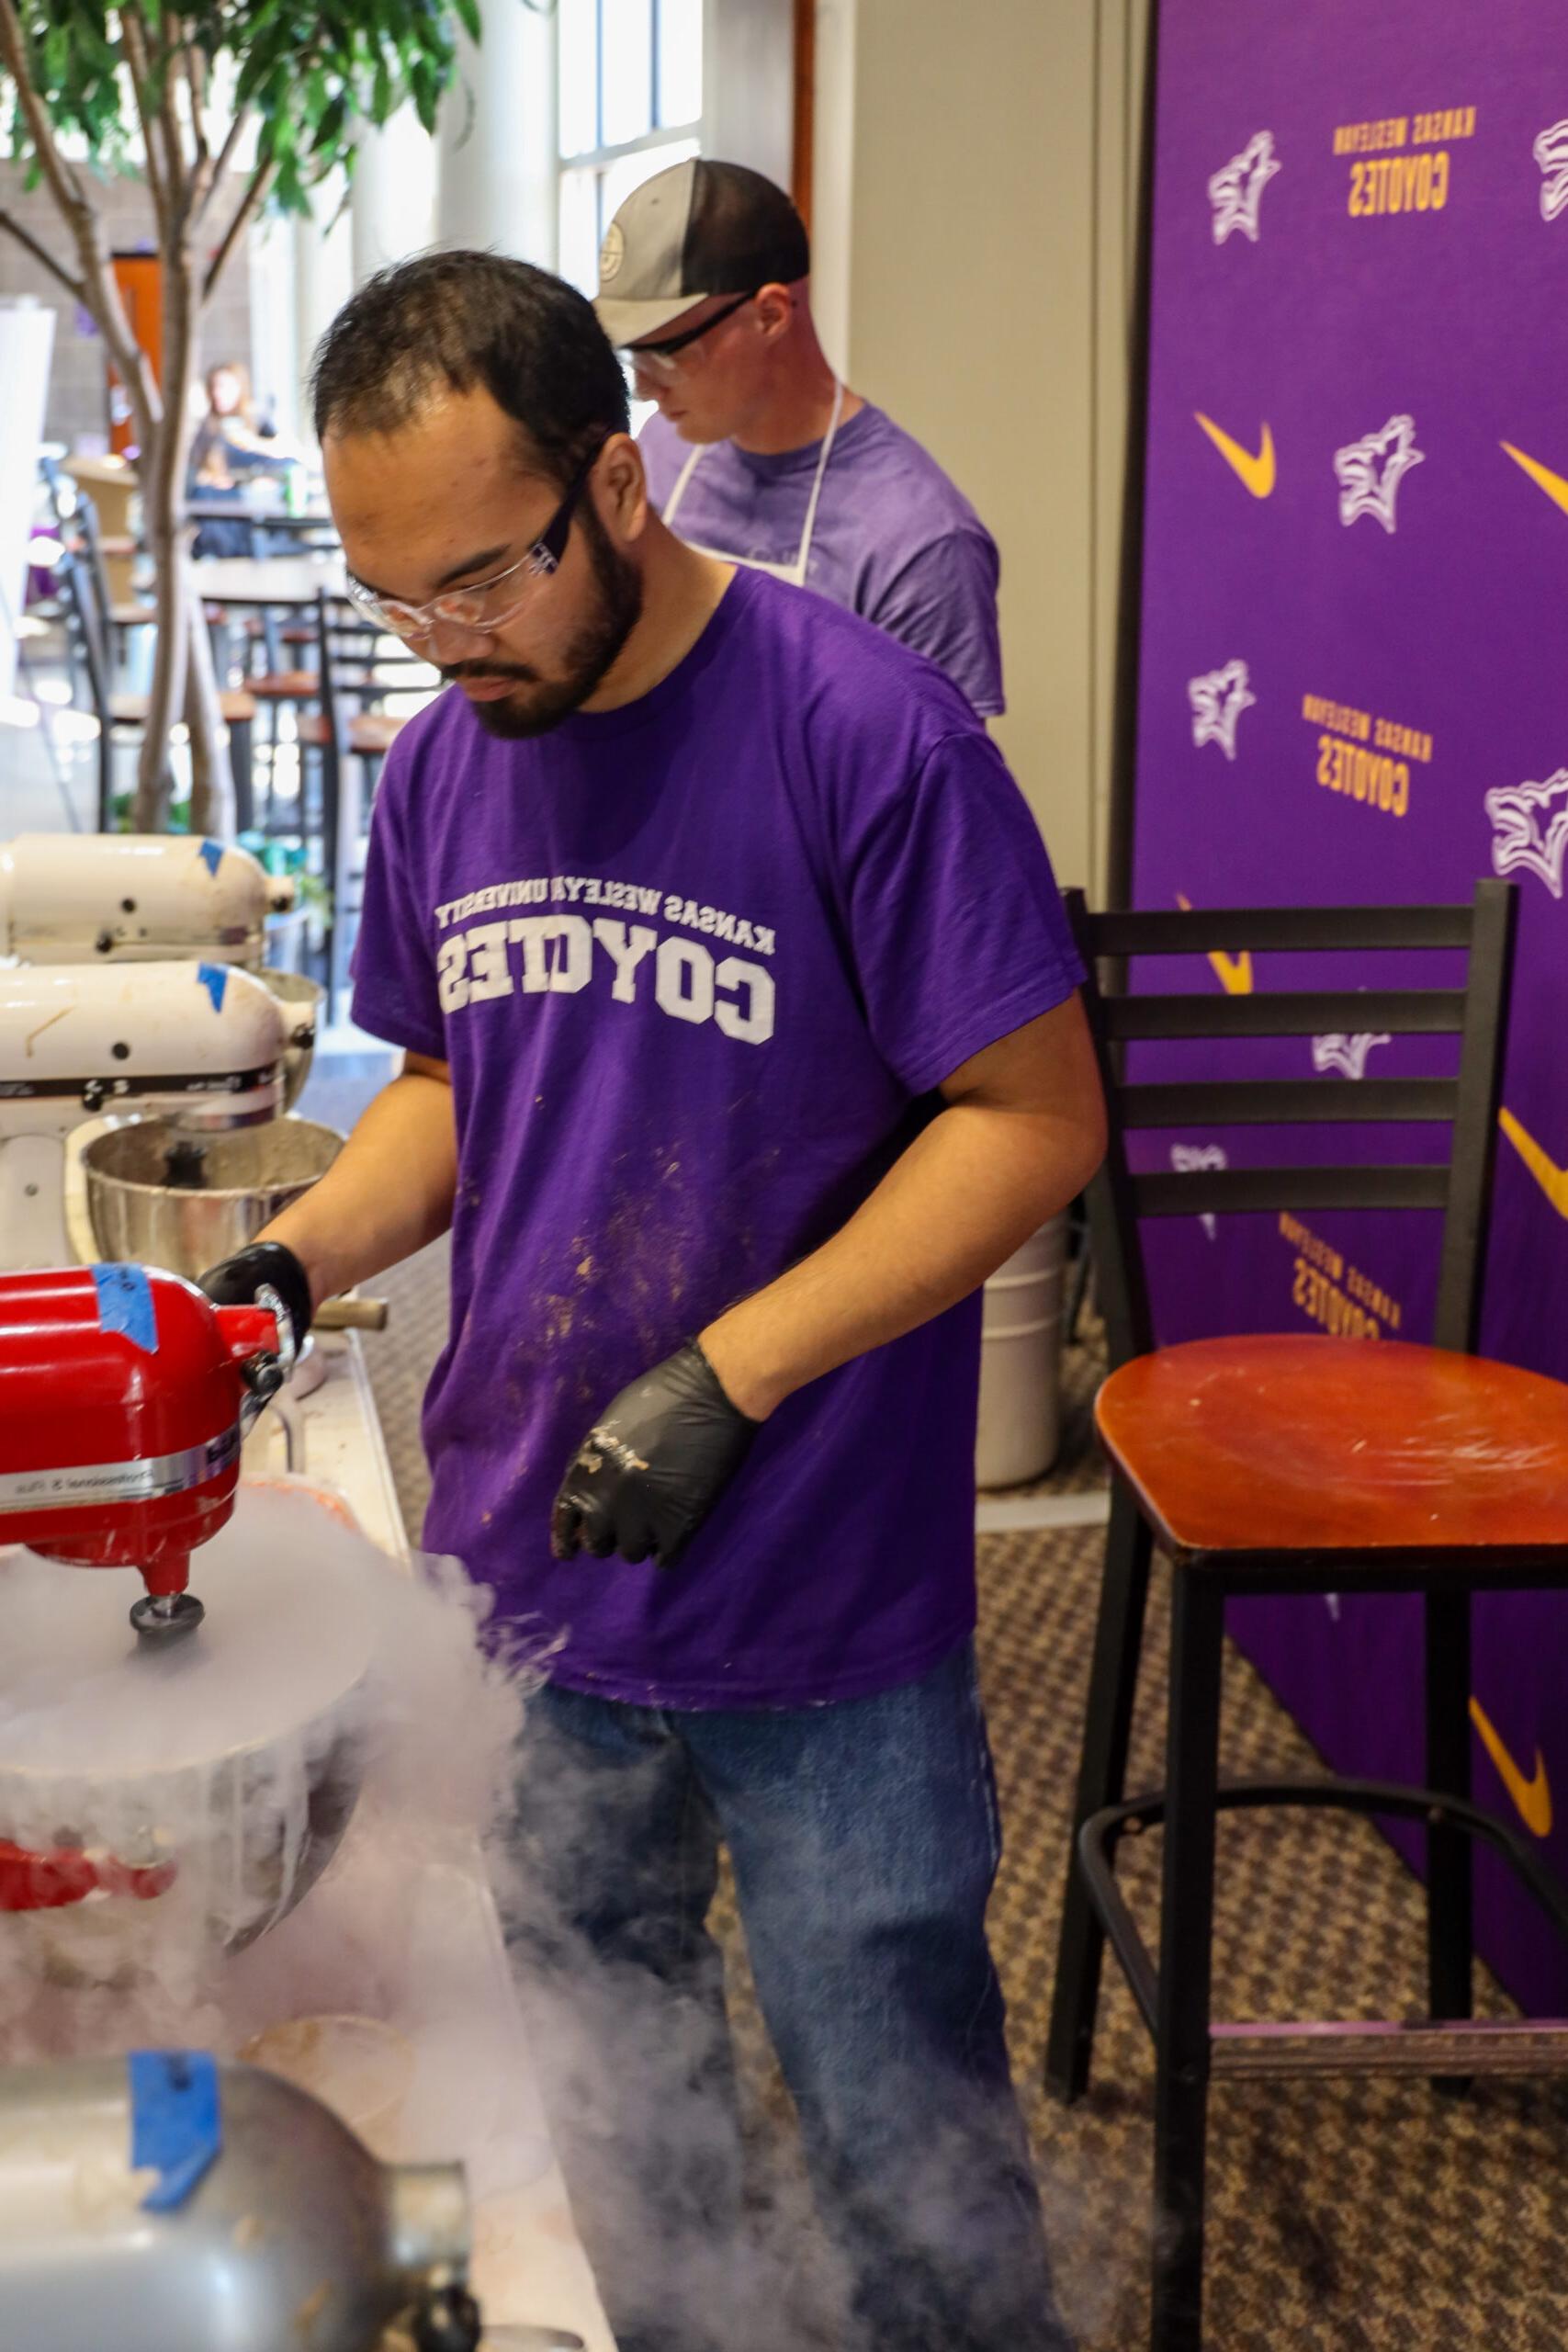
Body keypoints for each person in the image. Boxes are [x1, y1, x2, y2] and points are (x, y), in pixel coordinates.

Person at [198, 251, 1104, 2352]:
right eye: (394, 600)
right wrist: (301, 1247)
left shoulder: (859, 734)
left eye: (484, 578)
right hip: (525, 1570)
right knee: (622, 2111)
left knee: (901, 2133)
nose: (448, 646)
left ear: (616, 483)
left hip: (814, 1599)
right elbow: (448, 1077)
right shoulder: (446, 762)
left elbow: (1029, 1114)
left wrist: (733, 1366)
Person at [597, 158, 1006, 718]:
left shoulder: (920, 542)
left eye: (667, 354)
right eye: (633, 354)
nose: (644, 389)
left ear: (769, 315)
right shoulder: (663, 454)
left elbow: (935, 784)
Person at [187, 361, 300, 557]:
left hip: (254, 498)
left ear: (240, 388)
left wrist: (254, 445)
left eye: (225, 386)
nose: (218, 393)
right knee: (204, 497)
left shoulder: (257, 422)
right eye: (214, 386)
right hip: (220, 498)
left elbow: (287, 459)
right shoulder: (207, 428)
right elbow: (195, 469)